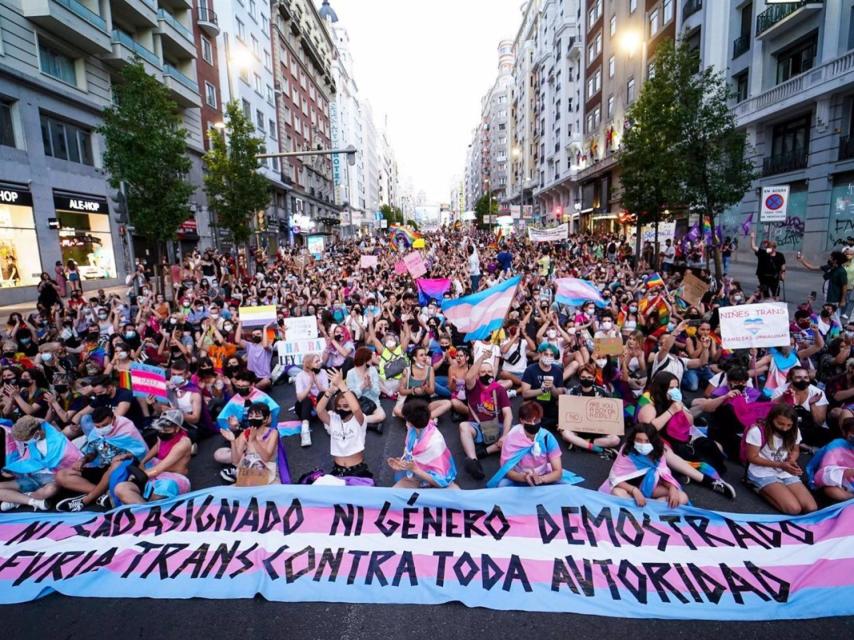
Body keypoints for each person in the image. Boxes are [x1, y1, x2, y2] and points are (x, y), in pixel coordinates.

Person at [55, 407, 148, 512]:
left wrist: (126, 455)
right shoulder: (96, 431)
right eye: (98, 426)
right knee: (61, 475)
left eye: (104, 425)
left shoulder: (125, 427)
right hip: (103, 466)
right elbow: (92, 452)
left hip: (123, 470)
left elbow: (141, 451)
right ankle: (103, 496)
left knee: (117, 464)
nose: (101, 428)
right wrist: (83, 460)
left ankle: (87, 500)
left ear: (113, 418)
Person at [486, 401, 582, 488]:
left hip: (543, 475)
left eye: (536, 421)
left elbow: (558, 472)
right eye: (529, 420)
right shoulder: (511, 438)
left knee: (566, 487)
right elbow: (508, 471)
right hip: (520, 476)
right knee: (502, 485)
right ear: (522, 420)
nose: (533, 424)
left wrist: (541, 479)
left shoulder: (547, 437)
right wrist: (524, 477)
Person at [743, 404, 817, 515]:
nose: (784, 428)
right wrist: (781, 465)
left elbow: (795, 450)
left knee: (811, 508)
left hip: (785, 471)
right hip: (762, 472)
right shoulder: (757, 431)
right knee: (794, 509)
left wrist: (792, 460)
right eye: (780, 424)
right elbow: (752, 457)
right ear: (771, 419)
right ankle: (756, 487)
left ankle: (779, 490)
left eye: (789, 425)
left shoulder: (794, 431)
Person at [0, 416, 82, 512]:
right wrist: (12, 469)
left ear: (37, 434)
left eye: (26, 440)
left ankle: (17, 499)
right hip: (33, 477)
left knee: (49, 491)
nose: (26, 443)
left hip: (53, 478)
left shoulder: (57, 441)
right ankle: (28, 500)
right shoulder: (37, 433)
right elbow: (28, 461)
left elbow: (71, 460)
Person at [112, 409, 192, 505]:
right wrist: (144, 461)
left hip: (173, 479)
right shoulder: (163, 435)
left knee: (161, 492)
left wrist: (138, 476)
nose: (162, 432)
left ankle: (150, 509)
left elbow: (158, 469)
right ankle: (147, 510)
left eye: (166, 430)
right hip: (154, 474)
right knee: (120, 488)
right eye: (160, 429)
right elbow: (157, 446)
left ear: (177, 428)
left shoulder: (183, 443)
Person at [600, 422, 689, 509]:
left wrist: (672, 488)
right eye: (638, 440)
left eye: (647, 441)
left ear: (653, 441)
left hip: (650, 488)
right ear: (633, 440)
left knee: (682, 497)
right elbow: (615, 478)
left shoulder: (658, 452)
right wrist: (634, 490)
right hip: (629, 489)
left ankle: (647, 508)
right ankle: (652, 509)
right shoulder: (627, 451)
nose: (643, 444)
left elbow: (662, 475)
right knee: (617, 493)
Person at [459, 349, 513, 479]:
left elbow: (508, 414)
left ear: (493, 374)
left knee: (514, 435)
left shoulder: (499, 389)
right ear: (477, 374)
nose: (486, 374)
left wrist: (504, 435)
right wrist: (482, 357)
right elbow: (468, 377)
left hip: (496, 426)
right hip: (477, 426)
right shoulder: (473, 386)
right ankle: (473, 461)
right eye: (482, 372)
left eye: (489, 372)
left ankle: (485, 451)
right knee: (463, 426)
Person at [387, 398, 458, 489]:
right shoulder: (413, 430)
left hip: (430, 479)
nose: (406, 422)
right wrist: (401, 463)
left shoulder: (434, 443)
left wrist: (415, 469)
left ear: (411, 422)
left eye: (406, 419)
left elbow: (441, 482)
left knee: (451, 492)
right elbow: (411, 455)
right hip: (417, 474)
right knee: (397, 484)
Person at [316, 369, 371, 479]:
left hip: (358, 471)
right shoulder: (333, 419)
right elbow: (319, 410)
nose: (342, 409)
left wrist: (342, 385)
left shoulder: (359, 419)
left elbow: (355, 408)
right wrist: (330, 391)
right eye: (339, 406)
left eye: (346, 406)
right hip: (337, 470)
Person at [216, 402, 287, 486]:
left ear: (265, 419)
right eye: (250, 416)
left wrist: (254, 441)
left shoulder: (273, 433)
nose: (253, 418)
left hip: (268, 471)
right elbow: (235, 461)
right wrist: (232, 441)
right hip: (248, 470)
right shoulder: (245, 433)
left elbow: (266, 458)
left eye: (257, 416)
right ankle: (237, 476)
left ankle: (235, 477)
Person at [562, 364, 620, 456]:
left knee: (615, 440)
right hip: (578, 429)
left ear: (593, 378)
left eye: (589, 377)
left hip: (597, 430)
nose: (586, 379)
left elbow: (611, 413)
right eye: (583, 377)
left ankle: (581, 443)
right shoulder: (573, 392)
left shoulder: (601, 392)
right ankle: (595, 448)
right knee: (565, 434)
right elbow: (566, 412)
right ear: (579, 377)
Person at [805, 417, 854, 502]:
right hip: (841, 483)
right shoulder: (837, 445)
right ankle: (850, 498)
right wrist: (848, 472)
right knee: (831, 491)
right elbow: (824, 474)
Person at [520, 343, 566, 430]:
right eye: (546, 354)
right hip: (534, 404)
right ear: (540, 354)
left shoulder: (557, 371)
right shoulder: (530, 369)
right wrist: (542, 389)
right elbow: (525, 393)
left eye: (551, 355)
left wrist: (552, 387)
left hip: (550, 405)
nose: (548, 357)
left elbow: (559, 395)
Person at [345, 347, 386, 433]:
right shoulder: (351, 373)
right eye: (371, 359)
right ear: (365, 360)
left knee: (381, 416)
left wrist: (370, 385)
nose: (372, 361)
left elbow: (377, 393)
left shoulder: (373, 370)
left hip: (372, 402)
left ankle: (355, 423)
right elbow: (351, 395)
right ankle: (369, 425)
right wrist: (363, 385)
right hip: (358, 403)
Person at [293, 354, 330, 447]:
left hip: (320, 406)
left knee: (323, 394)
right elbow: (299, 398)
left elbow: (327, 391)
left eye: (319, 361)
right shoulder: (300, 376)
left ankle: (328, 422)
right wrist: (310, 384)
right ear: (309, 364)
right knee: (306, 399)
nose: (319, 363)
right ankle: (305, 432)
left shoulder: (323, 372)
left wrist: (316, 382)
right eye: (316, 362)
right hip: (306, 408)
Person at [751, 233, 786, 298]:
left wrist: (783, 274)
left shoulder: (780, 255)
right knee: (765, 294)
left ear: (775, 248)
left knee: (776, 294)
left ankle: (775, 305)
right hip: (764, 278)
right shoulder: (763, 253)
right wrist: (752, 238)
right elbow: (753, 247)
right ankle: (766, 304)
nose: (770, 249)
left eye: (773, 248)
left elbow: (783, 265)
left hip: (775, 277)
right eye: (769, 248)